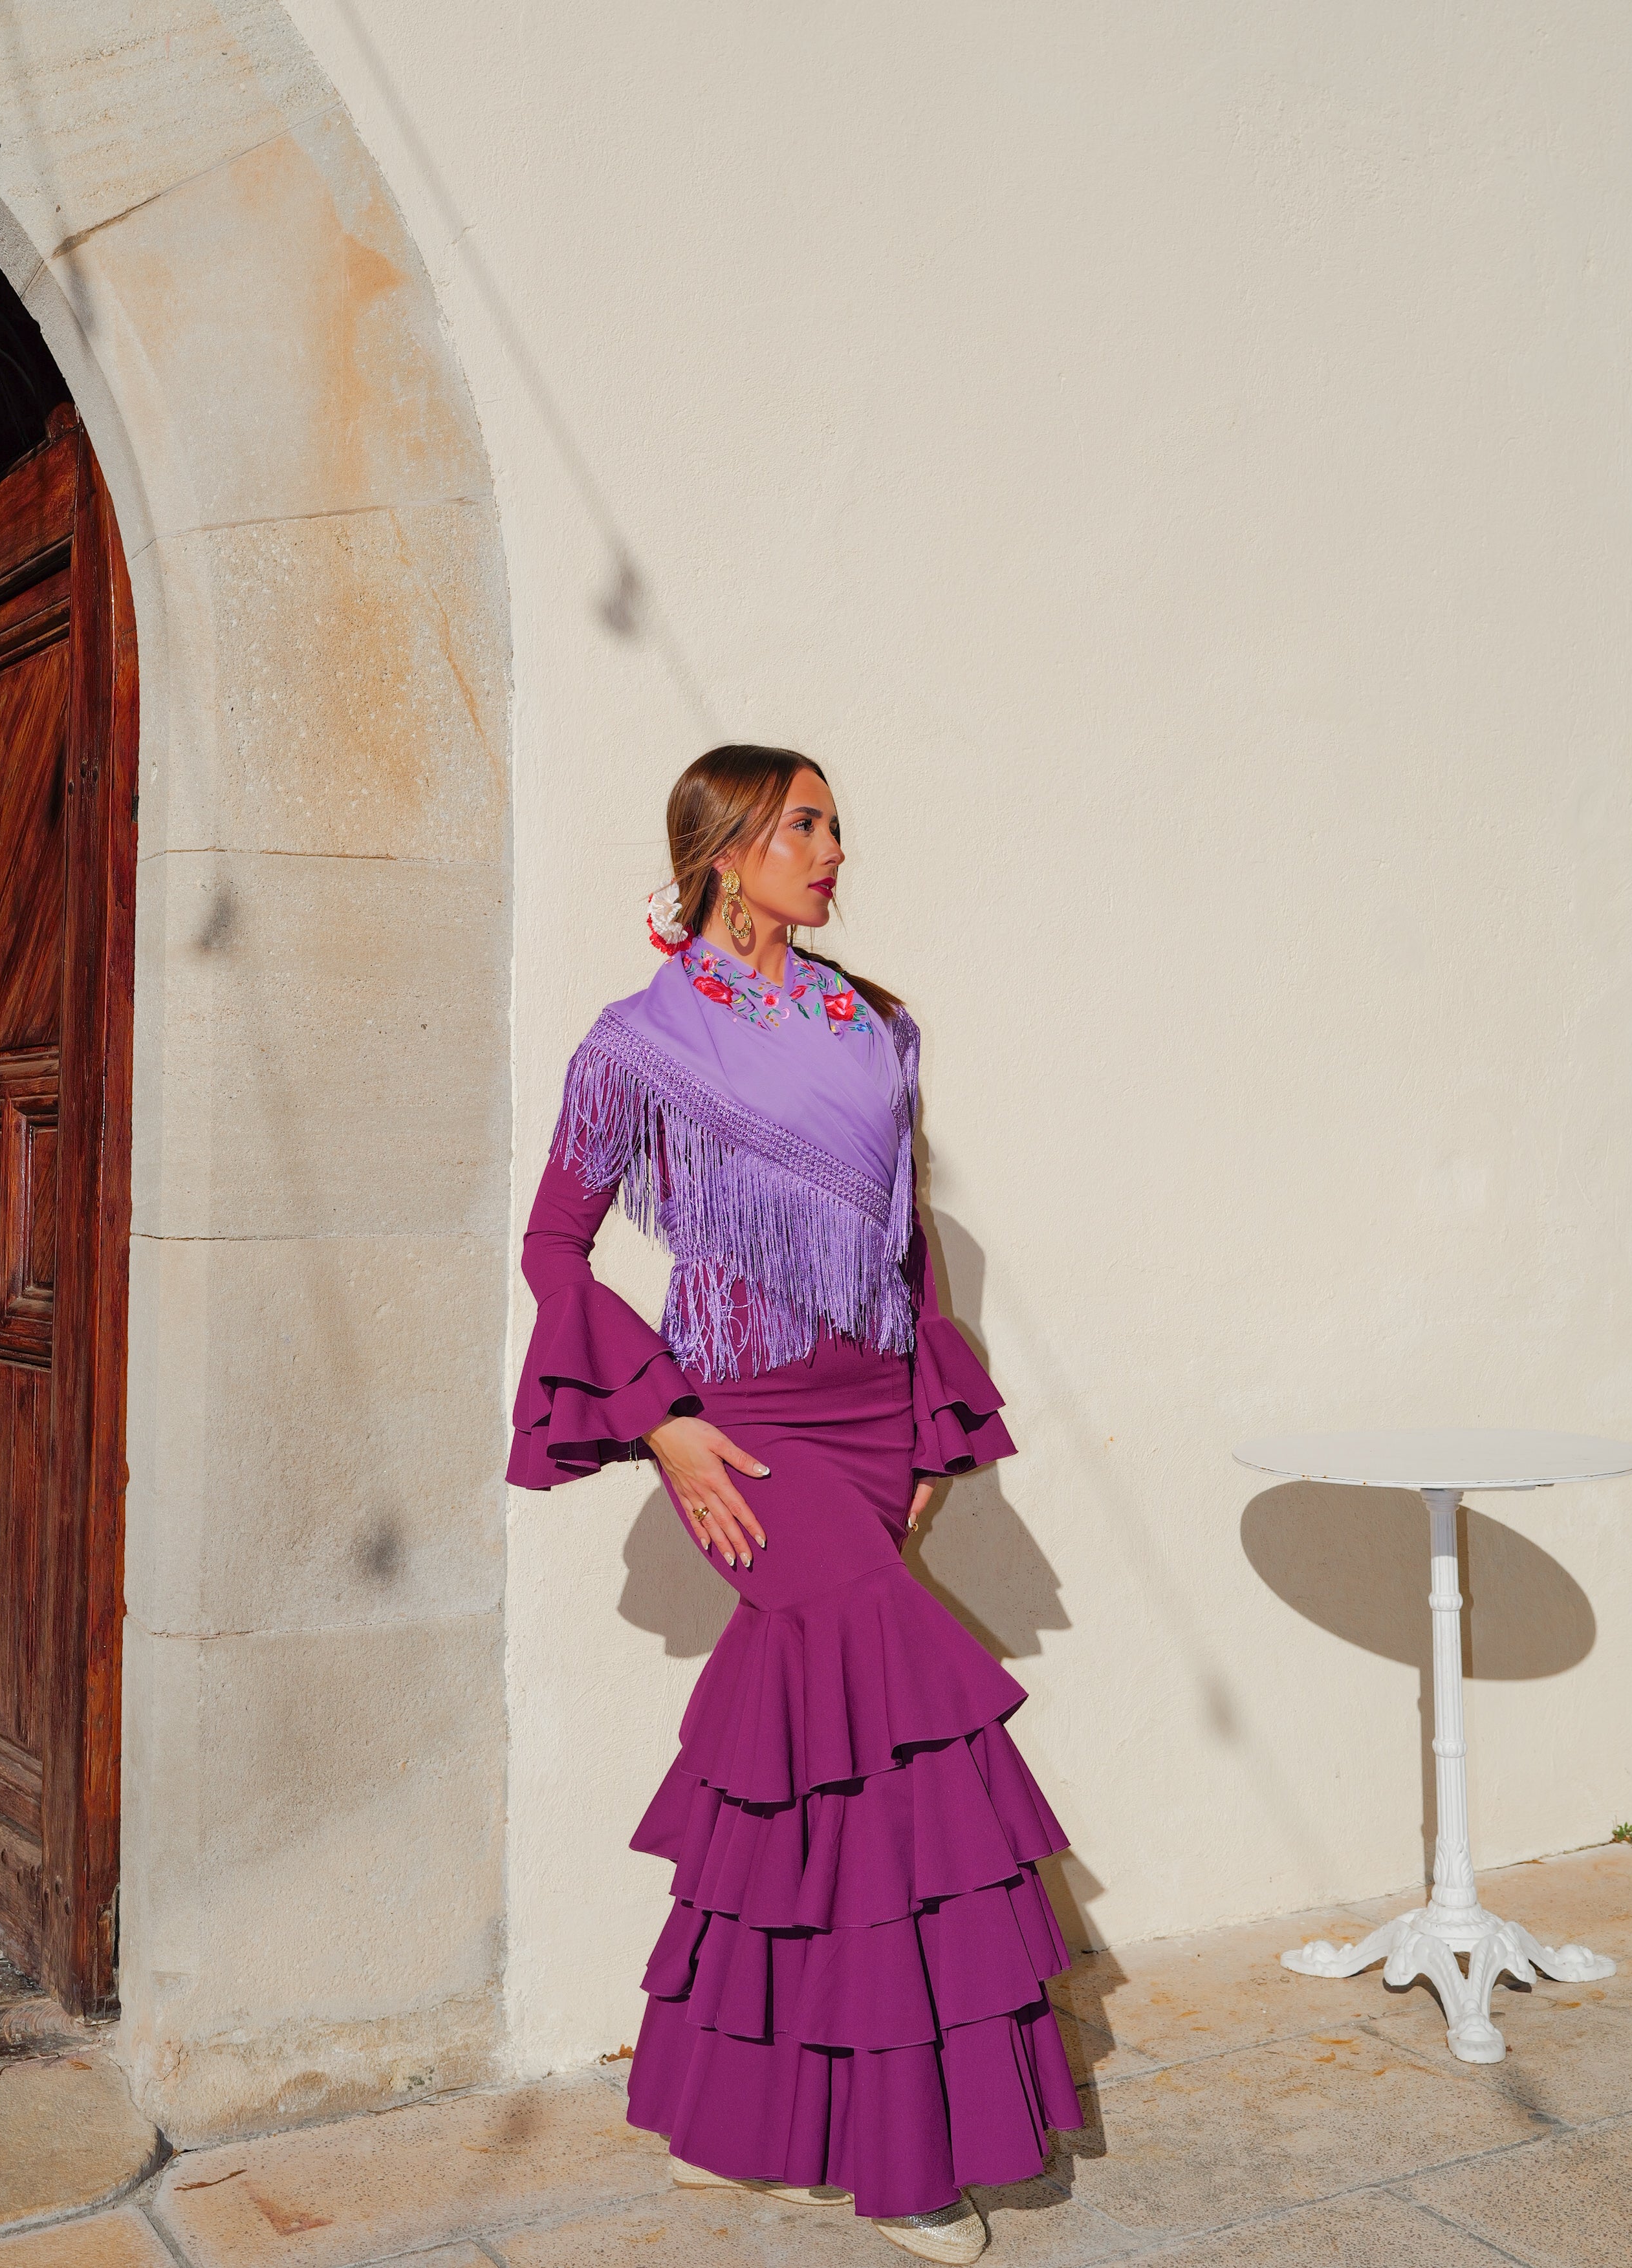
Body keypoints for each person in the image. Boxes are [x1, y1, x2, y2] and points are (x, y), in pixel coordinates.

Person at [509, 746, 1080, 2263]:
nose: (835, 849)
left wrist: (923, 1427)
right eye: (806, 824)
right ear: (725, 845)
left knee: (817, 1775)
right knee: (909, 1759)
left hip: (866, 1420)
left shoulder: (875, 1024)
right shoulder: (634, 1044)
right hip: (745, 1431)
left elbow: (905, 1254)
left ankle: (742, 2120)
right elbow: (553, 1252)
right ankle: (899, 2158)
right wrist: (667, 1424)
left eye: (832, 824)